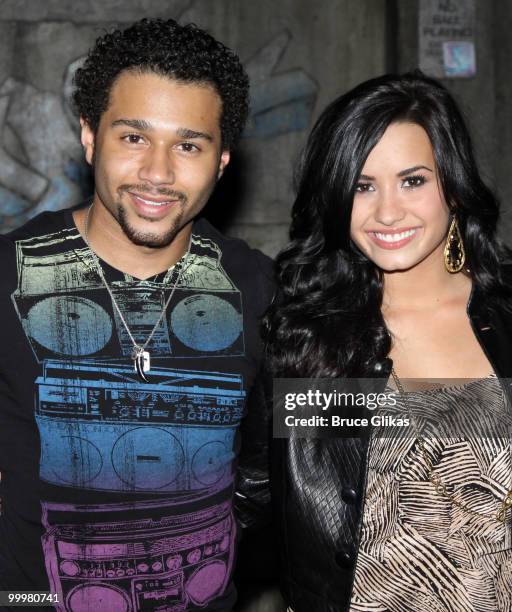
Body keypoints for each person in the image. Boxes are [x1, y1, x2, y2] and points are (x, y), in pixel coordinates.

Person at [0, 18, 274, 612]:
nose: (158, 172)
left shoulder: (259, 287)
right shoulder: (7, 275)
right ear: (89, 137)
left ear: (222, 158)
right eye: (133, 137)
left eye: (188, 145)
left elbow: (312, 440)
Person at [263, 71, 512, 611]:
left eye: (412, 181)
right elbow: (252, 495)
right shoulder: (303, 330)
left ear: (451, 183)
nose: (386, 212)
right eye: (362, 185)